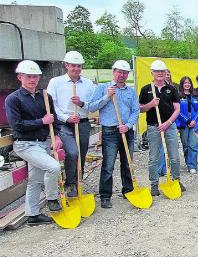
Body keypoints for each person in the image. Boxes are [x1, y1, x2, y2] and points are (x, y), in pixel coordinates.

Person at [5, 60, 62, 225]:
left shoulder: (44, 97)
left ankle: (33, 215)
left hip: (43, 143)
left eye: (36, 76)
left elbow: (54, 119)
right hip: (25, 144)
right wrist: (42, 121)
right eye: (29, 76)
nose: (32, 80)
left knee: (35, 180)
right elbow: (17, 126)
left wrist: (56, 136)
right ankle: (52, 198)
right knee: (53, 167)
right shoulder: (13, 99)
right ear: (19, 77)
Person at [87, 60, 139, 208]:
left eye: (124, 73)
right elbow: (91, 107)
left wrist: (128, 125)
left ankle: (128, 190)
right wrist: (107, 96)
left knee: (127, 163)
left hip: (126, 131)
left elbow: (135, 111)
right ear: (113, 71)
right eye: (119, 72)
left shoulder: (131, 91)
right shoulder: (103, 88)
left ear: (127, 74)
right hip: (110, 131)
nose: (121, 75)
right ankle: (105, 195)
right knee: (108, 165)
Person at [46, 51, 95, 199]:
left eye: (79, 66)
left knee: (81, 154)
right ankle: (70, 183)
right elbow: (52, 105)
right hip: (64, 124)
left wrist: (81, 103)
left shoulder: (88, 84)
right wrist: (67, 118)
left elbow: (92, 105)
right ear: (66, 65)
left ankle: (78, 180)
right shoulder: (56, 82)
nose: (76, 69)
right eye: (73, 65)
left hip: (83, 123)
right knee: (72, 152)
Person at [138, 60, 185, 196]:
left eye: (162, 71)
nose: (160, 74)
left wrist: (168, 122)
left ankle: (176, 180)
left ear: (165, 73)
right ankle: (154, 184)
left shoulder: (172, 89)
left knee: (174, 156)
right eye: (157, 71)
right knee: (153, 157)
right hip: (153, 127)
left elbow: (177, 109)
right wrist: (151, 104)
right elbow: (140, 109)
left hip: (169, 127)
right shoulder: (146, 89)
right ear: (152, 72)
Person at [176, 76, 198, 173]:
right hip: (183, 123)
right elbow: (177, 110)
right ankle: (188, 162)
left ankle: (192, 165)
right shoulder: (178, 95)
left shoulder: (195, 95)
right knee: (186, 145)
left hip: (195, 122)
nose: (187, 84)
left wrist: (194, 120)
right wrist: (187, 121)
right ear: (182, 84)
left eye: (188, 83)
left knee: (193, 145)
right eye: (185, 83)